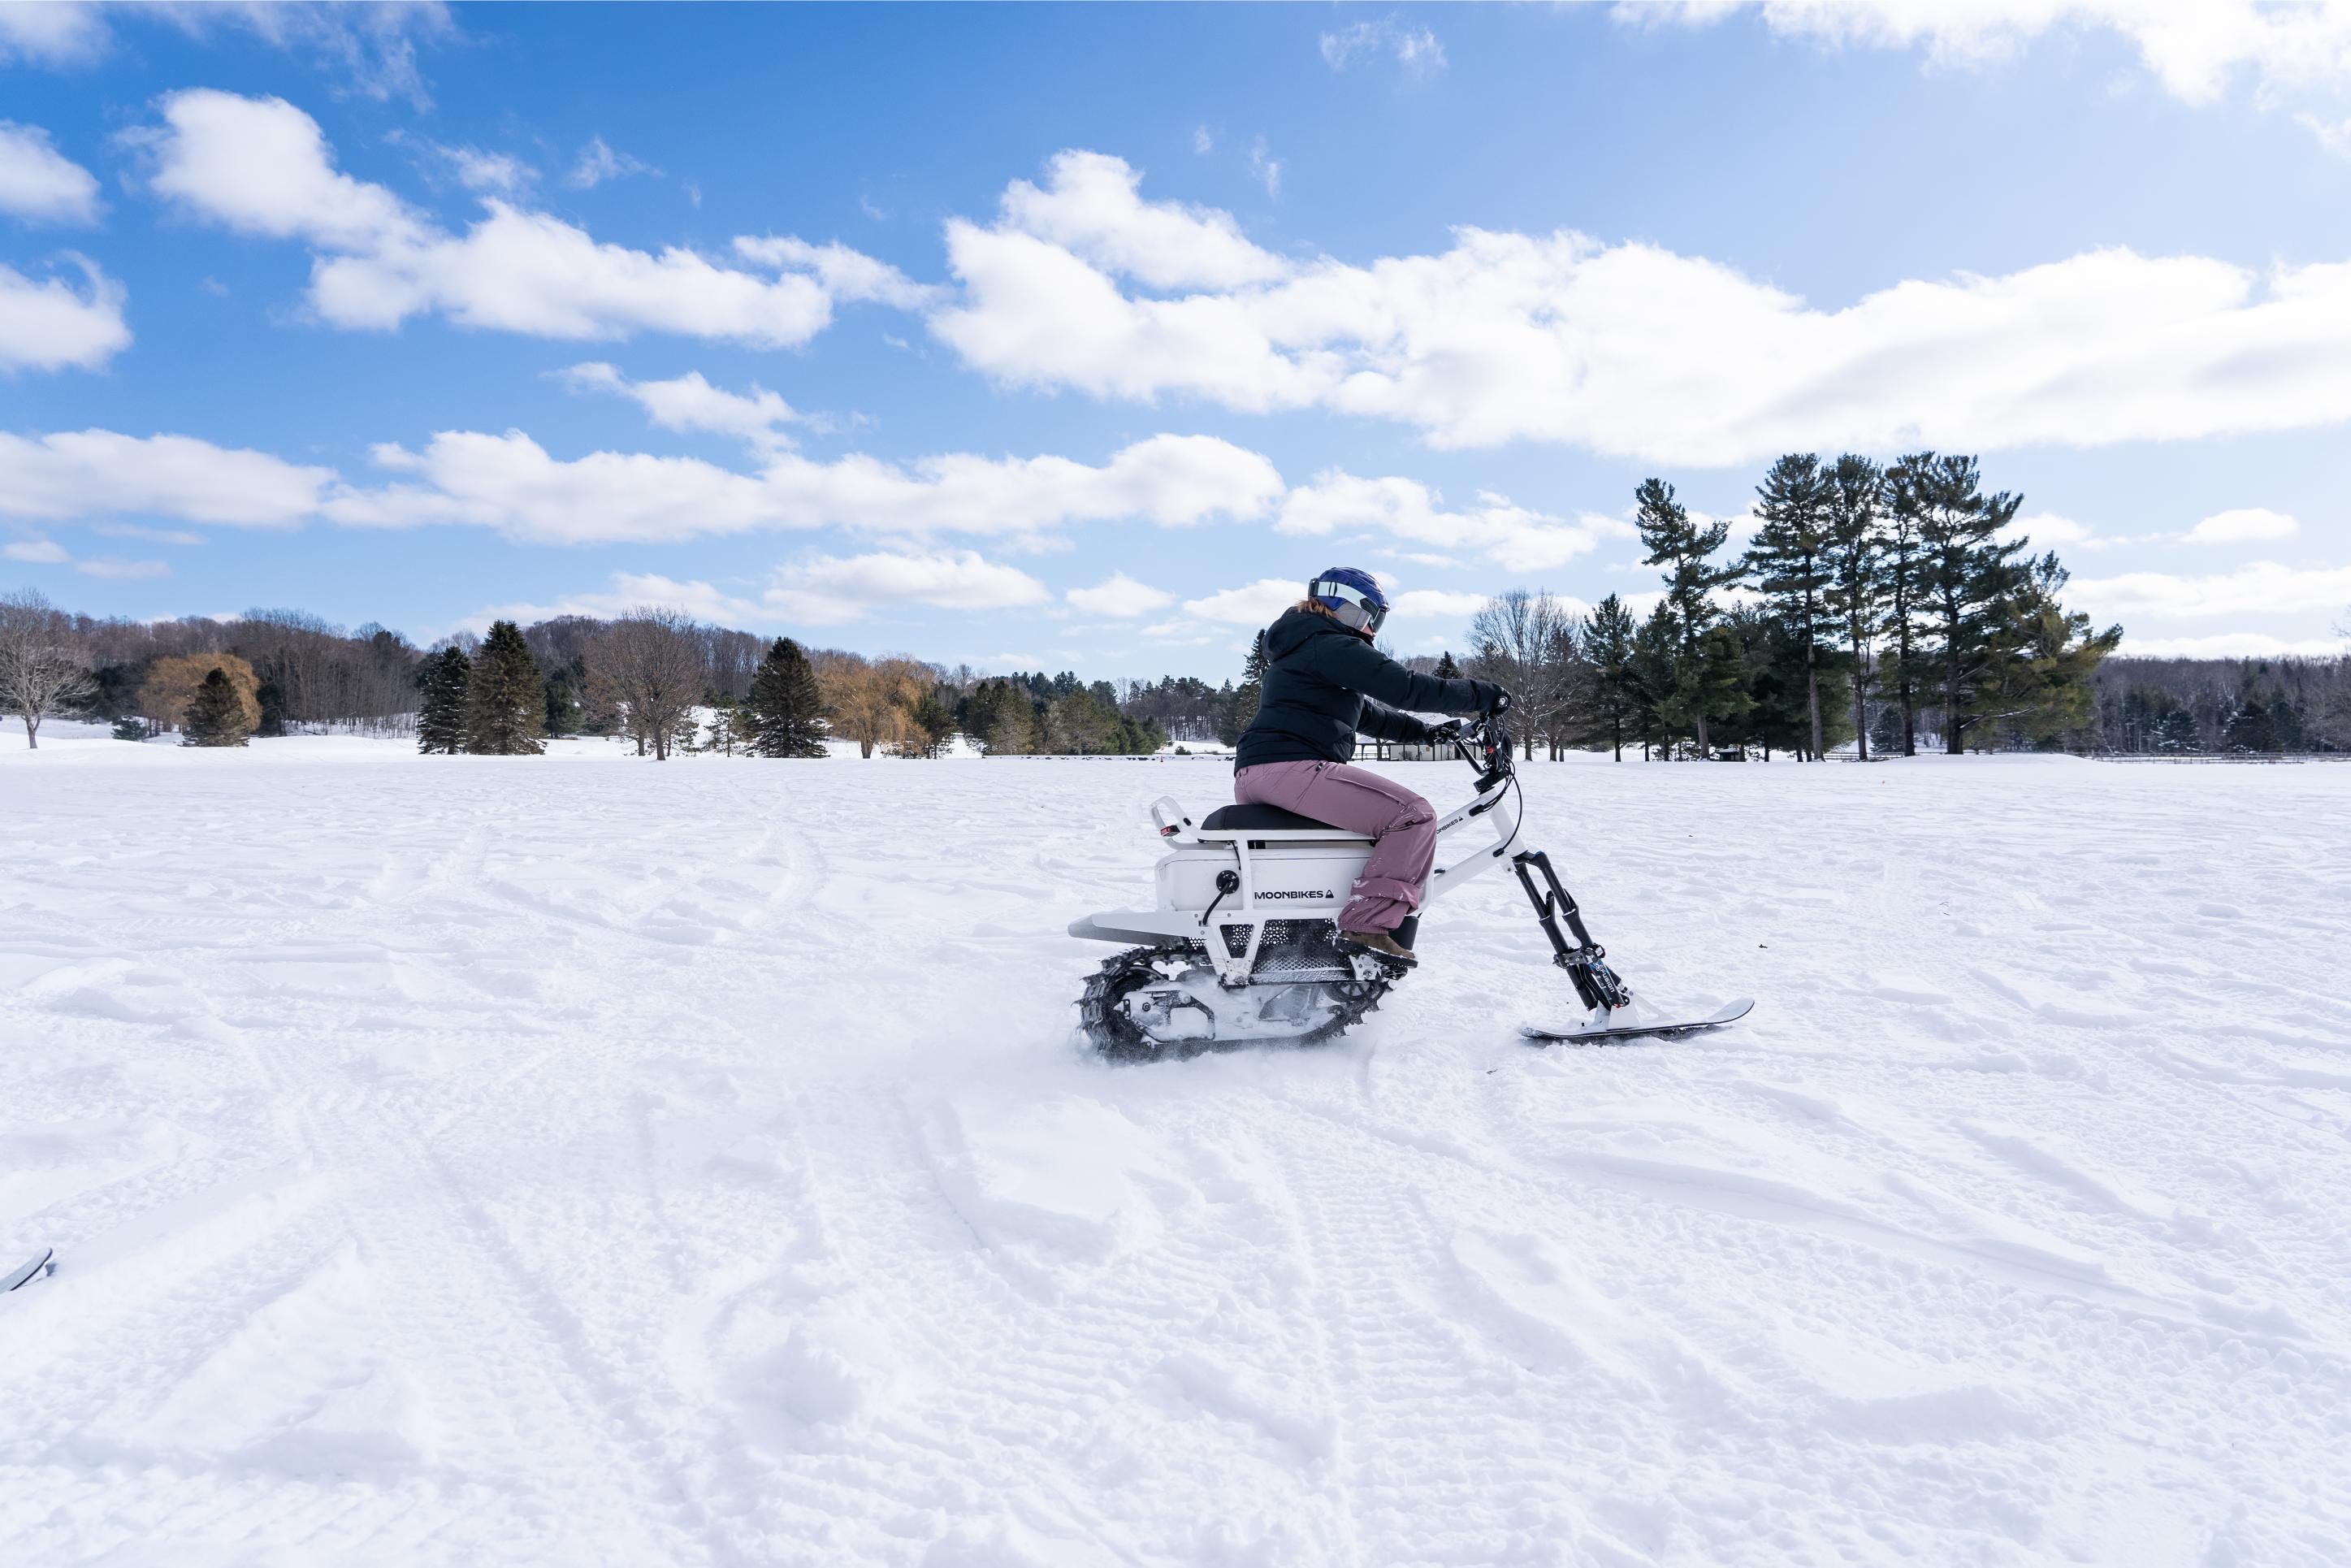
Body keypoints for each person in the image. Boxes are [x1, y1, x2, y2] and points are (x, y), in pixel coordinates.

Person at [1232, 568, 1509, 966]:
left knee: (1361, 846)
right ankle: (1366, 928)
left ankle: (1325, 941)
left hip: (1265, 773)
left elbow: (1372, 716)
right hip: (1290, 767)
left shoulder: (1307, 649)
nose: (1371, 629)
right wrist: (1485, 695)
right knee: (1412, 817)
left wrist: (1433, 735)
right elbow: (1406, 688)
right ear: (1345, 607)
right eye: (1371, 616)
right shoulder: (1327, 644)